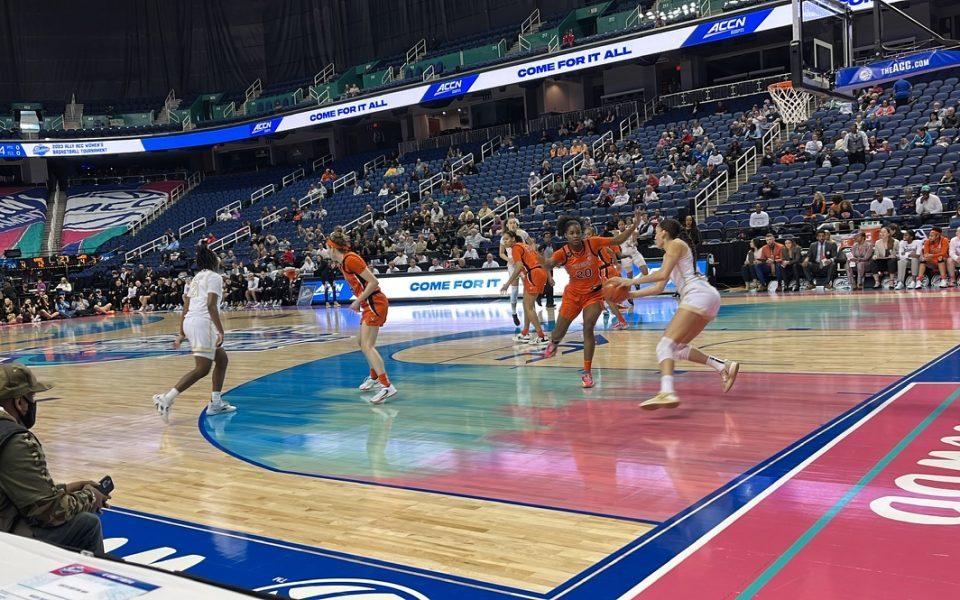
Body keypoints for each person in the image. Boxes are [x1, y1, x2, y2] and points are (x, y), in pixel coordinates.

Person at [625, 218, 740, 409]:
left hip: (697, 294)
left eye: (656, 232)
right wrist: (630, 294)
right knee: (677, 349)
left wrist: (628, 282)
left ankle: (667, 392)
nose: (655, 236)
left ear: (664, 233)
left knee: (664, 345)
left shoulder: (676, 243)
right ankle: (723, 366)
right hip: (707, 297)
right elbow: (659, 287)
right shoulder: (669, 254)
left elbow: (661, 275)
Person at [0, 364, 110, 553]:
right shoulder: (15, 439)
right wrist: (90, 496)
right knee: (86, 525)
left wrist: (65, 489)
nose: (33, 404)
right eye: (31, 397)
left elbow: (15, 490)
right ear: (19, 402)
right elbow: (47, 512)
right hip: (5, 539)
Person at [540, 211, 640, 388]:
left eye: (578, 232)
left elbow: (617, 240)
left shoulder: (592, 243)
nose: (576, 235)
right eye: (571, 233)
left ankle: (587, 372)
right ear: (565, 235)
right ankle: (554, 342)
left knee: (588, 328)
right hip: (573, 295)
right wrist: (537, 256)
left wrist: (634, 226)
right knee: (558, 332)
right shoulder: (563, 253)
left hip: (594, 294)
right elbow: (548, 264)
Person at [152, 244, 236, 423]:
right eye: (216, 256)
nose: (219, 258)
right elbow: (211, 305)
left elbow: (186, 305)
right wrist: (221, 331)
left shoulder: (197, 277)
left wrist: (182, 332)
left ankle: (216, 402)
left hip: (191, 321)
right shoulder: (215, 277)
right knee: (202, 368)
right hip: (202, 323)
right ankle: (166, 398)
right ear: (213, 261)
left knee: (222, 360)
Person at [326, 231, 396, 404]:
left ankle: (386, 386)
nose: (326, 251)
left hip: (374, 303)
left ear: (333, 248)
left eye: (327, 248)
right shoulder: (343, 263)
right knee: (361, 342)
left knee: (367, 345)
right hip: (368, 304)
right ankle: (374, 376)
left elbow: (374, 282)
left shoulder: (351, 259)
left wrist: (358, 301)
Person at [500, 231, 549, 345]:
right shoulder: (525, 246)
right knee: (526, 305)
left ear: (513, 239)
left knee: (528, 307)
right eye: (503, 239)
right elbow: (541, 259)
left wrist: (507, 284)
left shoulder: (515, 248)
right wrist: (549, 276)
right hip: (538, 272)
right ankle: (525, 333)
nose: (504, 241)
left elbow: (518, 267)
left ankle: (542, 336)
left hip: (533, 274)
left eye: (507, 239)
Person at [499, 218, 531, 327]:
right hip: (512, 264)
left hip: (523, 263)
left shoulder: (523, 233)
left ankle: (530, 309)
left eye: (514, 222)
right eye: (510, 223)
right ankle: (514, 312)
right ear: (507, 225)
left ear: (517, 224)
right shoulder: (504, 237)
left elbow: (532, 244)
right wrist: (509, 259)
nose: (512, 224)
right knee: (515, 290)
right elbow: (501, 253)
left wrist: (530, 254)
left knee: (528, 287)